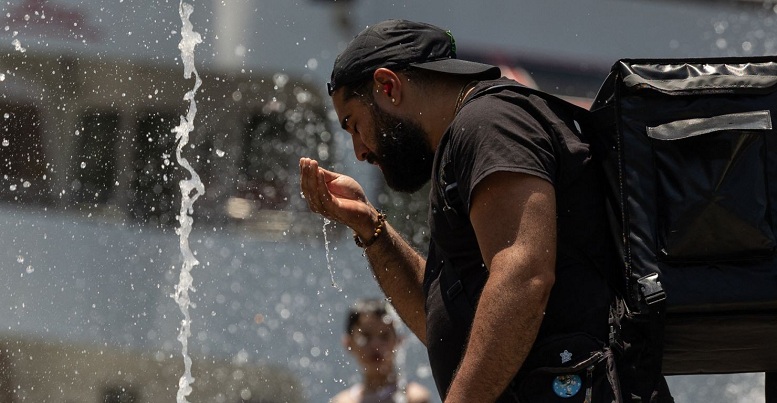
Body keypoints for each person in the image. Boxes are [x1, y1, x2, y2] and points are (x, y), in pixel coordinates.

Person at [300, 19, 673, 402]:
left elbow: (523, 276)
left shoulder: (488, 123)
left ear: (389, 87)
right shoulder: (464, 143)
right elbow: (440, 325)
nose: (359, 152)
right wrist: (370, 227)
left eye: (354, 125)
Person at [331, 298, 431, 403]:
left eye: (384, 336)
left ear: (398, 341)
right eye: (366, 337)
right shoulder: (342, 401)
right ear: (348, 343)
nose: (376, 345)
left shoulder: (414, 399)